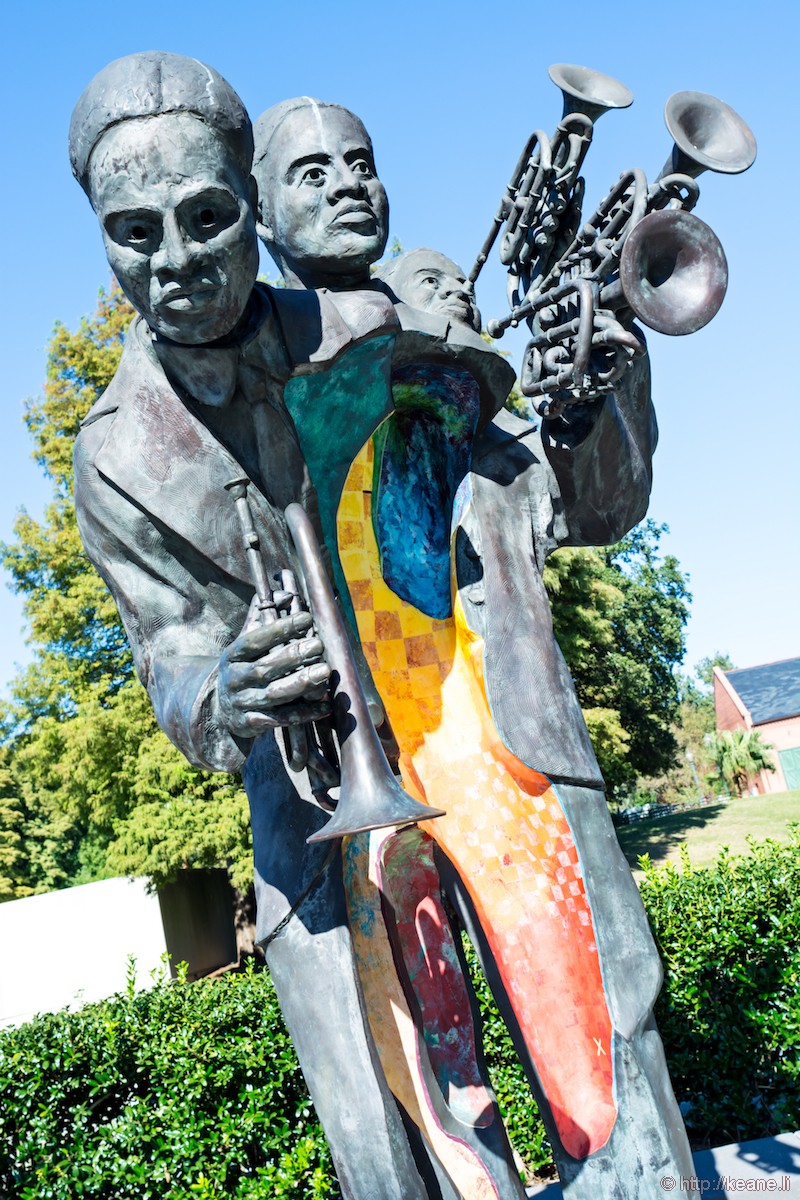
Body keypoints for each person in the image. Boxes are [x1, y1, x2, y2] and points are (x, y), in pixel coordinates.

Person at [253, 92, 697, 1198]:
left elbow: (594, 510)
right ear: (260, 216)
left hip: (501, 744)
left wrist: (603, 378)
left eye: (359, 162)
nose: (347, 183)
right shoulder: (245, 365)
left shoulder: (466, 370)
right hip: (349, 770)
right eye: (310, 174)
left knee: (593, 1043)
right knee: (427, 1084)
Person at [69, 51, 434, 1200]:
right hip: (303, 804)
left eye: (207, 217)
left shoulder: (359, 324)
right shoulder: (110, 456)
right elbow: (165, 654)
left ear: (256, 203)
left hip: (450, 730)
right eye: (134, 233)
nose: (173, 261)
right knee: (371, 1133)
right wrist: (220, 694)